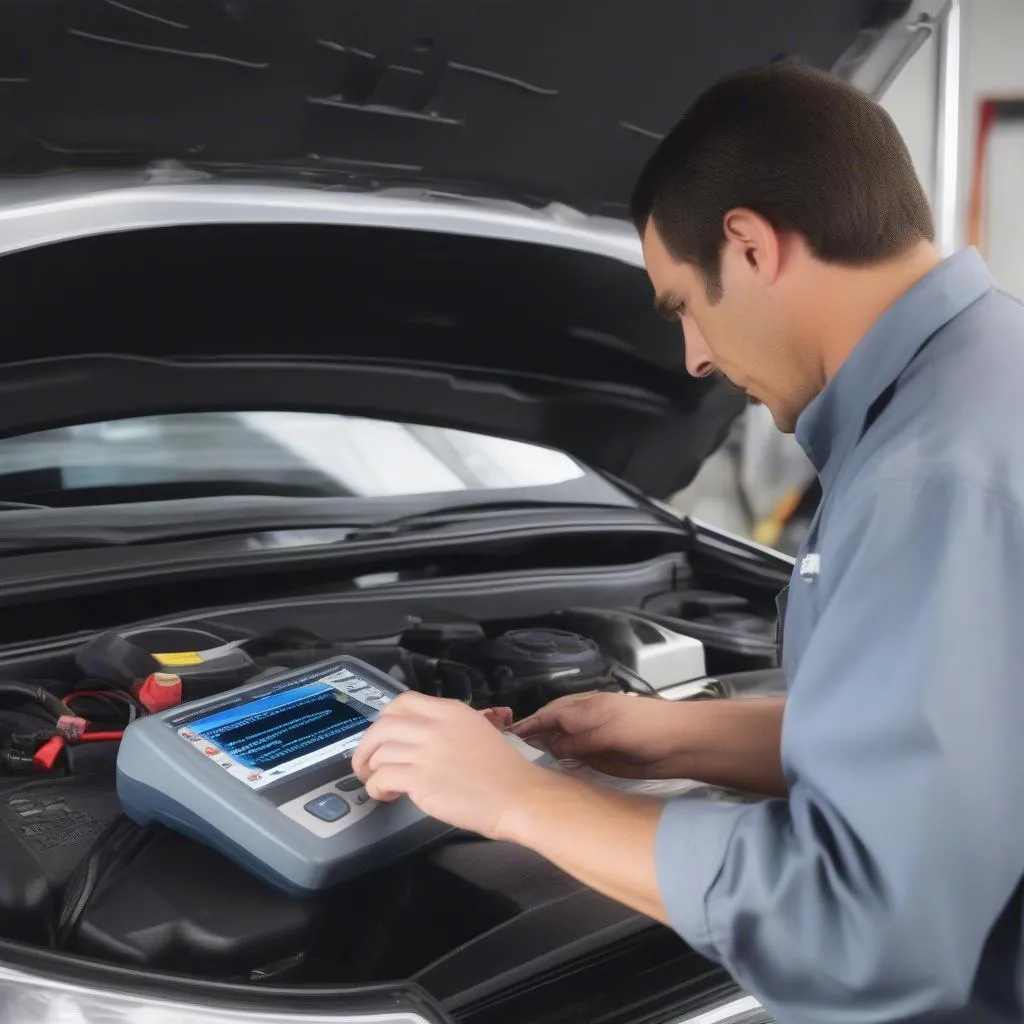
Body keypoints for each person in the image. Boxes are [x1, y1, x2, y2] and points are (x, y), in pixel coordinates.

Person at [353, 62, 1024, 1023]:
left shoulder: (931, 477)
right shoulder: (988, 380)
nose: (694, 359)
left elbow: (870, 928)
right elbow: (970, 745)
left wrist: (518, 802)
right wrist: (675, 735)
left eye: (681, 307)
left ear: (749, 247)